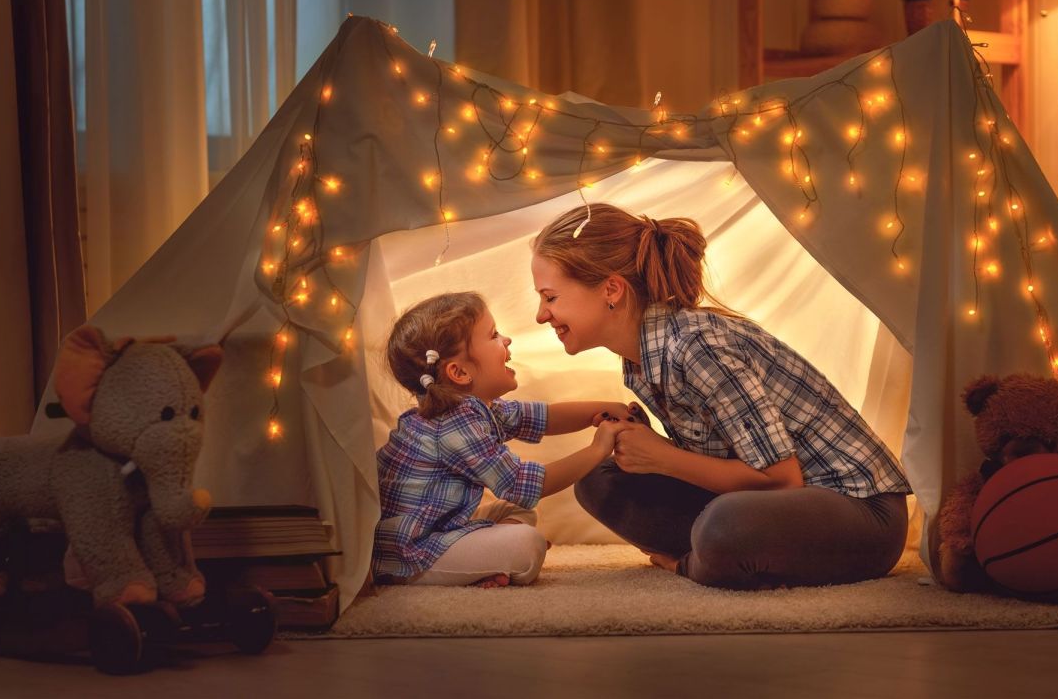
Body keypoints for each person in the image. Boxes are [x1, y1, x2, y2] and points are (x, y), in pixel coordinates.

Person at [530, 204, 912, 590]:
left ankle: (697, 563)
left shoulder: (697, 347)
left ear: (611, 290)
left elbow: (781, 480)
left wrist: (663, 457)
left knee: (726, 525)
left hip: (859, 513)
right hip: (774, 506)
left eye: (550, 297)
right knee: (598, 479)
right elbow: (726, 459)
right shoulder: (641, 359)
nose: (541, 316)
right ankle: (721, 555)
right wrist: (649, 449)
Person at [374, 291, 634, 588]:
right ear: (459, 372)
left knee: (516, 512)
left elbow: (543, 417)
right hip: (411, 552)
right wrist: (599, 449)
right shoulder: (451, 425)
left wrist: (600, 410)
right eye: (494, 334)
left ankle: (487, 562)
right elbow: (523, 484)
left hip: (439, 527)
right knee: (527, 544)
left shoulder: (475, 409)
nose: (506, 340)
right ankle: (493, 560)